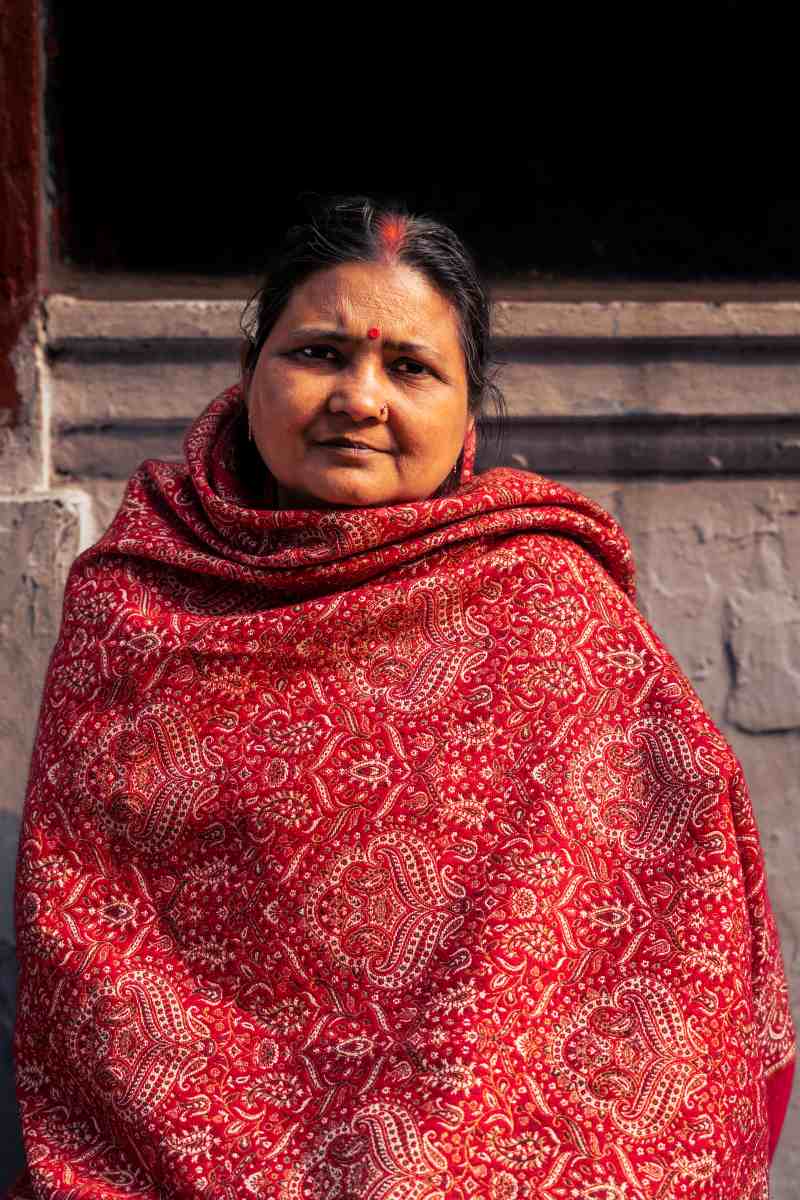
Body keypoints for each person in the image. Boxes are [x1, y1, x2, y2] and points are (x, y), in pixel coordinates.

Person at [9, 196, 795, 1200]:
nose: (358, 397)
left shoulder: (548, 612)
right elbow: (88, 943)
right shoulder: (138, 600)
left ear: (467, 415)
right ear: (249, 373)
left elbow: (678, 922)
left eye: (408, 368)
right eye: (319, 354)